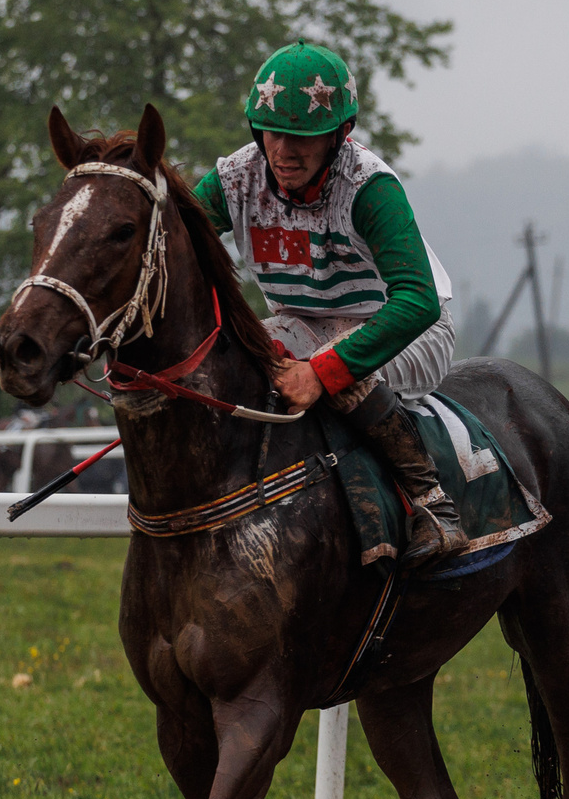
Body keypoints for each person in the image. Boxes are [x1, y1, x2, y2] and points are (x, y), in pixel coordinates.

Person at [194, 41, 463, 565]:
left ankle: (434, 506)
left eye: (304, 139)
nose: (284, 152)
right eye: (274, 133)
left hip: (408, 326)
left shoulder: (370, 188)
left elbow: (418, 301)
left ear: (340, 137)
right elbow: (171, 242)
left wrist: (323, 372)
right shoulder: (236, 179)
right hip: (304, 321)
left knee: (340, 371)